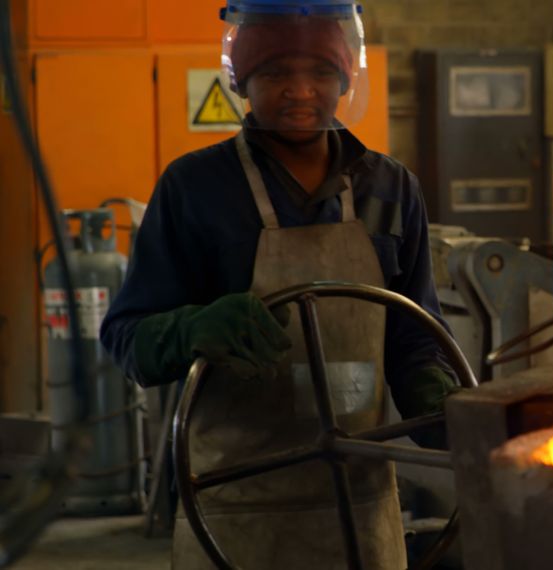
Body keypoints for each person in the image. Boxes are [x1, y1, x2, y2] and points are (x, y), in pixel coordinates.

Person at [99, 2, 458, 568]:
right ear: (243, 82)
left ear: (343, 79)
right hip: (234, 511)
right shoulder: (194, 189)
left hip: (358, 512)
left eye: (319, 72)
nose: (300, 91)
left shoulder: (390, 190)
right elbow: (126, 338)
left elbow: (413, 337)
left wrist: (441, 404)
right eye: (275, 74)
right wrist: (193, 327)